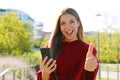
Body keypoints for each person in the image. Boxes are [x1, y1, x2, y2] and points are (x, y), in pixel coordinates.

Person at [37, 8, 99, 80]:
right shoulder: (51, 47)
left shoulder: (89, 51)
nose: (68, 27)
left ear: (78, 23)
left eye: (72, 21)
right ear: (59, 27)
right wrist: (45, 73)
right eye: (63, 23)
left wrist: (90, 71)